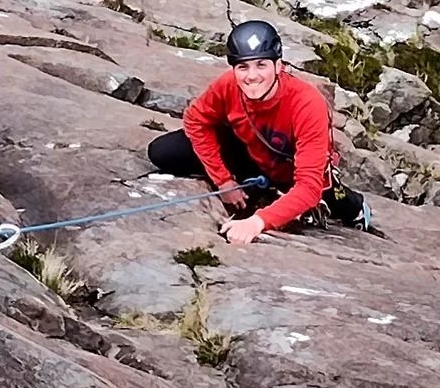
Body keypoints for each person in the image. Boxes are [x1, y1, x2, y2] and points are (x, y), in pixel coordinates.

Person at [148, 21, 368, 245]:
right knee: (164, 152)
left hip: (292, 171)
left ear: (278, 65)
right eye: (243, 67)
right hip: (252, 154)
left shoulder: (307, 104)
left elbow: (308, 186)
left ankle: (353, 204)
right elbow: (196, 120)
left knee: (331, 197)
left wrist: (257, 222)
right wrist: (223, 181)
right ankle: (255, 189)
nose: (251, 76)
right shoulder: (228, 85)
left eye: (261, 65)